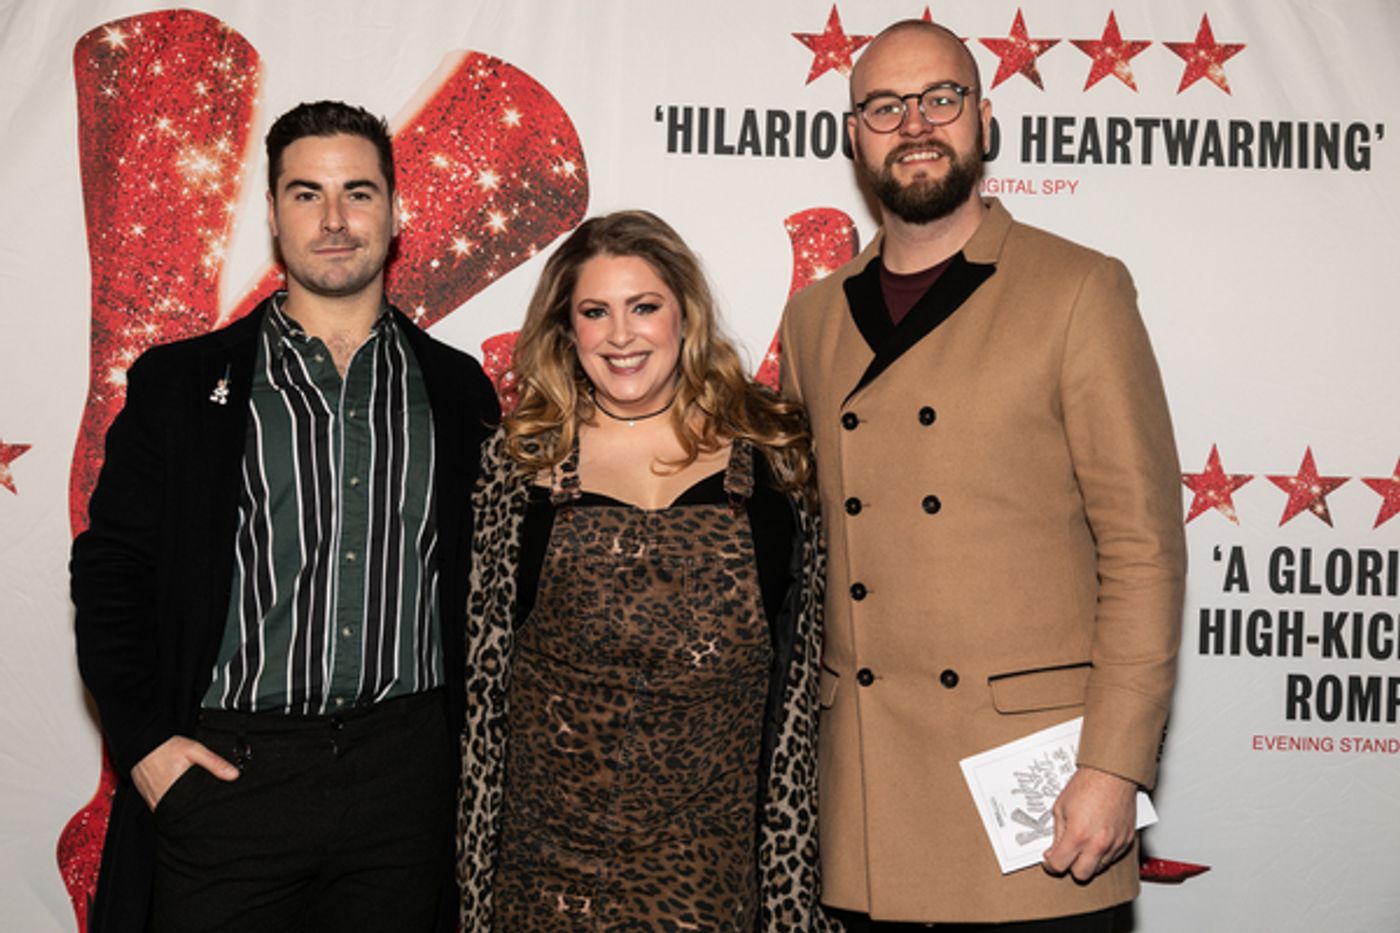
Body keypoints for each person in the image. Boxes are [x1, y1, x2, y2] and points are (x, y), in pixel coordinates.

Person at [778, 20, 1187, 932]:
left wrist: (1114, 765)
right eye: (885, 106)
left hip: (1040, 799)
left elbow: (1144, 548)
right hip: (868, 799)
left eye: (941, 98)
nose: (914, 124)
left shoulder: (1077, 290)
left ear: (984, 118)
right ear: (853, 135)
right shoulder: (812, 317)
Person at [72, 100, 499, 933]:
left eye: (358, 193)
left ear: (396, 211)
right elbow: (111, 573)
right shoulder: (181, 385)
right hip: (229, 782)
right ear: (272, 213)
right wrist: (147, 745)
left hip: (404, 789)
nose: (334, 219)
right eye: (307, 194)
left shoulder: (456, 391)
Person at [457, 210, 831, 931]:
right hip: (543, 874)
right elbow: (482, 687)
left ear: (685, 316)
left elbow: (805, 677)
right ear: (568, 330)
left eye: (644, 307)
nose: (621, 335)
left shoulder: (775, 459)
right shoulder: (517, 466)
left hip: (708, 877)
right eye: (595, 312)